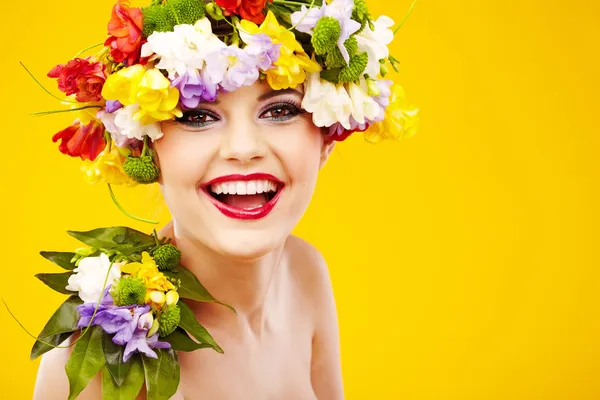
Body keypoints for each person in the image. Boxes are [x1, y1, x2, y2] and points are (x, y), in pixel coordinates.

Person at [30, 0, 417, 398]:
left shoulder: (306, 272)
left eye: (280, 109)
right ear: (144, 151)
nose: (244, 148)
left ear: (328, 137)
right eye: (198, 116)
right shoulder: (96, 358)